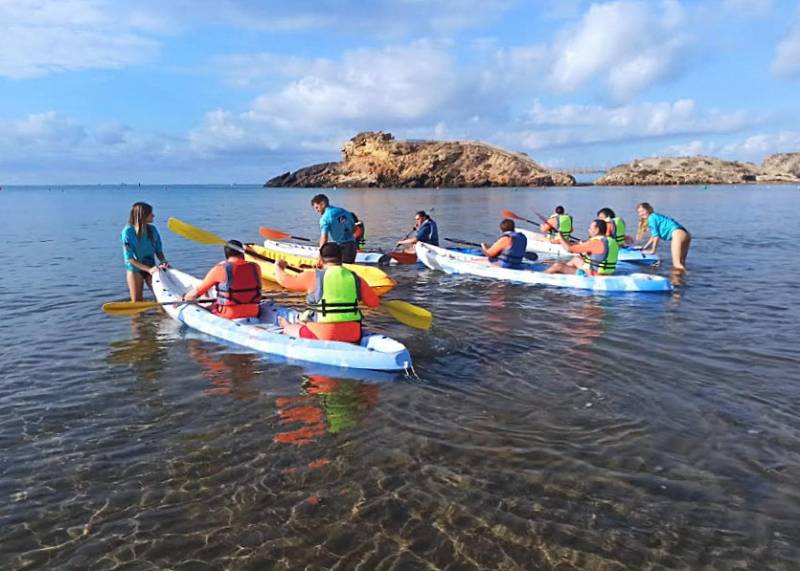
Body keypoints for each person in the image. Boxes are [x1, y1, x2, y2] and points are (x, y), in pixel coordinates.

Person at [274, 242, 380, 343]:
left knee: (289, 328)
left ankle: (286, 326)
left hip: (322, 335)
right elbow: (374, 303)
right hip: (353, 335)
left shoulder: (312, 276)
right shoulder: (356, 278)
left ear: (320, 259)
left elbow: (283, 280)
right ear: (341, 257)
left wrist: (278, 266)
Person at [183, 240, 262, 319]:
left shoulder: (220, 269)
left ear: (226, 255)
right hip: (253, 312)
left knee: (207, 304)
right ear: (242, 253)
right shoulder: (256, 267)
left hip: (229, 314)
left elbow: (193, 295)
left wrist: (185, 298)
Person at [121, 202, 169, 302]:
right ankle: (138, 318)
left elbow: (158, 250)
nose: (153, 215)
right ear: (142, 215)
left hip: (151, 267)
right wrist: (148, 269)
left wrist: (163, 260)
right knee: (137, 301)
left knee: (162, 298)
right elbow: (129, 258)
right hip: (135, 269)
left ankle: (162, 317)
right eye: (151, 213)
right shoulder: (128, 232)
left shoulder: (153, 229)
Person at [544, 219, 619, 275]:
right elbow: (601, 255)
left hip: (593, 275)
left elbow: (569, 249)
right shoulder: (612, 241)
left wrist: (560, 238)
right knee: (576, 259)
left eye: (590, 228)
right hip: (607, 273)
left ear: (597, 230)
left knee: (558, 265)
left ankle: (543, 275)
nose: (588, 230)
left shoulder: (596, 242)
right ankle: (564, 273)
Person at [636, 202, 691, 271]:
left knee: (677, 265)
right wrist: (645, 247)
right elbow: (653, 236)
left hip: (677, 234)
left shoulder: (651, 218)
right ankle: (682, 280)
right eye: (639, 212)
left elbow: (656, 236)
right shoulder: (655, 216)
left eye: (643, 211)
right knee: (681, 263)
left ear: (648, 209)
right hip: (685, 234)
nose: (641, 213)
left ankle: (686, 279)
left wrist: (653, 250)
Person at [310, 194, 357, 263]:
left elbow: (324, 238)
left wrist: (320, 256)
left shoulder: (325, 218)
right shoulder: (343, 211)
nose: (317, 211)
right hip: (352, 245)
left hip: (341, 248)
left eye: (317, 207)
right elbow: (354, 229)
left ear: (322, 204)